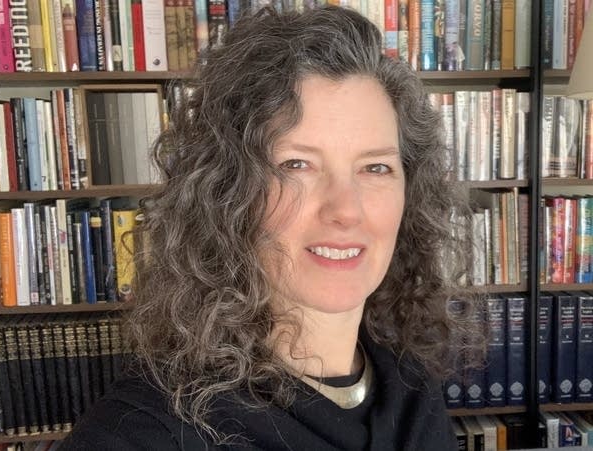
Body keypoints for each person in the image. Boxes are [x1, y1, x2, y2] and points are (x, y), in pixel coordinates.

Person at [61, 5, 477, 450]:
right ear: (228, 194)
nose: (346, 210)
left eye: (376, 167)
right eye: (296, 164)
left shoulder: (412, 389)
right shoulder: (144, 433)